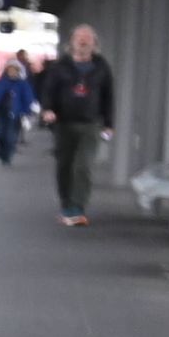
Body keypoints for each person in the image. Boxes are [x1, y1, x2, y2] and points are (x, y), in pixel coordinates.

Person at [36, 24, 114, 226]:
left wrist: (109, 123)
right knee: (64, 165)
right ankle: (66, 202)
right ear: (71, 42)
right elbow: (48, 91)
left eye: (87, 38)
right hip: (63, 123)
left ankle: (77, 207)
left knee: (83, 166)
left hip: (91, 124)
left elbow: (108, 96)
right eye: (79, 38)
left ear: (94, 44)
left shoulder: (101, 67)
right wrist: (48, 109)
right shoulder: (59, 67)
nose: (83, 42)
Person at [0, 51, 34, 166]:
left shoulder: (22, 84)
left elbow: (28, 98)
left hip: (15, 113)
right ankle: (2, 152)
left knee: (11, 136)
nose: (12, 72)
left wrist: (26, 111)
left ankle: (7, 157)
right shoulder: (1, 82)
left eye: (15, 70)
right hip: (1, 112)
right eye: (10, 70)